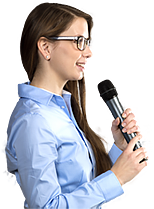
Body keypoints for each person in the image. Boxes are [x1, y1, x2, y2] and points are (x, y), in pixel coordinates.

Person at [5, 3, 149, 209]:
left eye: (88, 42)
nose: (88, 53)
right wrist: (116, 177)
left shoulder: (62, 108)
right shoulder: (33, 120)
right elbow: (48, 207)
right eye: (79, 41)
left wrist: (118, 146)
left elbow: (83, 187)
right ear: (46, 48)